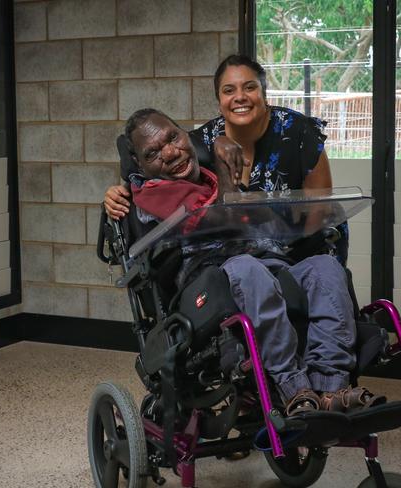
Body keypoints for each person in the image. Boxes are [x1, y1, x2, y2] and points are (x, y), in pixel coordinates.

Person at [123, 107, 384, 415]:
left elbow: (248, 216)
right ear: (140, 165)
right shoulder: (151, 194)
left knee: (325, 268)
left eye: (173, 137)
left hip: (267, 264)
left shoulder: (208, 177)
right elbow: (221, 217)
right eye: (153, 152)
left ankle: (331, 385)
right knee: (248, 270)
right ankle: (292, 387)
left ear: (187, 136)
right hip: (209, 281)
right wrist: (223, 170)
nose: (170, 152)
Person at [104, 53, 349, 262]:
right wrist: (118, 192)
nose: (239, 97)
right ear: (219, 101)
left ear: (264, 94)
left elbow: (319, 207)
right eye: (228, 90)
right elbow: (151, 167)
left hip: (300, 246)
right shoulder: (203, 140)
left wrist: (294, 259)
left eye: (250, 87)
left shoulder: (298, 132)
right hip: (244, 256)